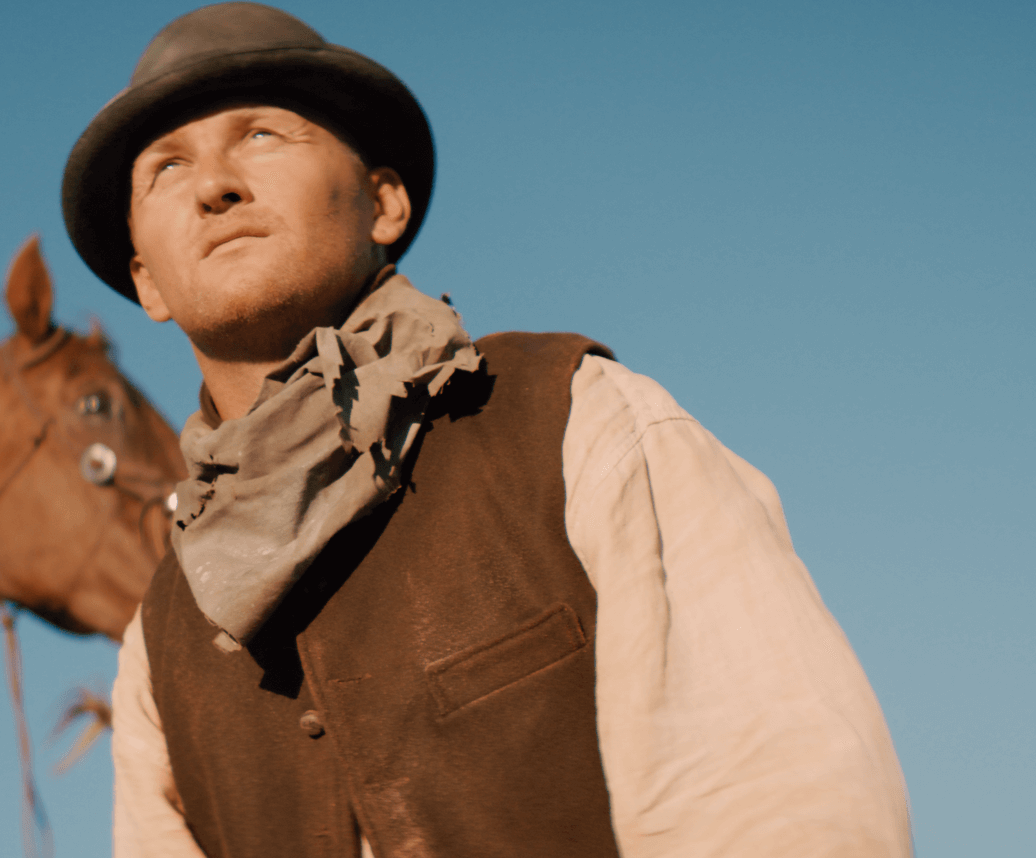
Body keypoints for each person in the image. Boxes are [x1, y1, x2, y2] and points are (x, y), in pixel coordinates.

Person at [58, 4, 912, 857]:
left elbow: (780, 804)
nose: (215, 185)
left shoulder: (575, 419)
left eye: (265, 136)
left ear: (383, 203)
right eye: (167, 167)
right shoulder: (160, 644)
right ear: (146, 282)